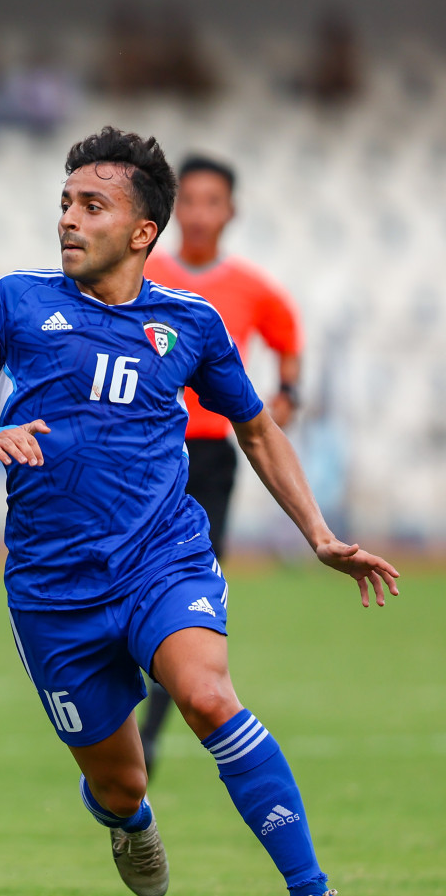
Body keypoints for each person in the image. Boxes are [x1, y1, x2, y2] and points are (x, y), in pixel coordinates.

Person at [0, 127, 398, 896]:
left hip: (161, 559)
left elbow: (254, 426)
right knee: (119, 778)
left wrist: (319, 535)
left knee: (208, 698)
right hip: (51, 587)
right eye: (64, 202)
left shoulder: (190, 323)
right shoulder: (14, 302)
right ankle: (129, 821)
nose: (68, 219)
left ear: (142, 232)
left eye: (91, 205)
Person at [138, 155, 304, 776]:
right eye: (193, 200)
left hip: (211, 453)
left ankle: (149, 732)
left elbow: (289, 343)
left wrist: (288, 393)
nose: (202, 213)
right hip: (147, 447)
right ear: (177, 208)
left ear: (230, 211)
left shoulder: (254, 288)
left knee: (186, 593)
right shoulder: (145, 275)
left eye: (215, 201)